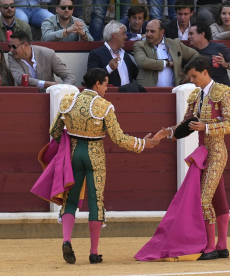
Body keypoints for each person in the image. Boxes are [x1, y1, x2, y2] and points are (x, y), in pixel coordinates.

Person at [47, 67, 159, 264]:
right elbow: (118, 138)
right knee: (95, 200)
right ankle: (93, 252)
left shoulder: (68, 101)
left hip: (74, 155)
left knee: (70, 199)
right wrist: (143, 143)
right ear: (97, 84)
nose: (107, 88)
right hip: (94, 155)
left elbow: (55, 131)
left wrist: (68, 142)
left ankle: (66, 240)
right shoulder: (104, 106)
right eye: (106, 84)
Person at [154, 56, 230, 260]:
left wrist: (206, 127)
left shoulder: (223, 93)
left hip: (217, 152)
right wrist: (169, 133)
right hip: (203, 154)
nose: (192, 80)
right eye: (190, 77)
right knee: (217, 198)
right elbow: (186, 126)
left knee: (203, 199)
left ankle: (210, 247)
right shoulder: (196, 97)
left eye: (194, 76)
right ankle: (222, 246)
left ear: (205, 72)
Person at [133, 19, 198, 87]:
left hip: (174, 92)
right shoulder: (140, 45)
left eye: (152, 31)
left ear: (162, 32)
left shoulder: (175, 44)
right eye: (147, 31)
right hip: (149, 91)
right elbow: (143, 62)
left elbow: (195, 55)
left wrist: (190, 73)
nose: (148, 34)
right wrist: (167, 63)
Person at [8, 30, 76, 90]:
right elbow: (20, 79)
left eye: (14, 46)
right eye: (9, 46)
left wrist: (63, 90)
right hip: (25, 99)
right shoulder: (11, 56)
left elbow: (69, 76)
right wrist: (45, 84)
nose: (11, 50)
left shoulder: (48, 54)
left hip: (48, 98)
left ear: (25, 45)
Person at [188, 22, 230, 87]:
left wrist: (225, 64)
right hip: (201, 91)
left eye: (191, 34)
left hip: (222, 90)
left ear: (202, 34)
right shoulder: (189, 52)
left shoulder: (219, 47)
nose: (188, 37)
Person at [87, 20, 138, 87]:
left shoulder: (127, 55)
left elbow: (137, 76)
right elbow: (90, 79)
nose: (126, 37)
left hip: (128, 95)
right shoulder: (97, 54)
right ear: (114, 35)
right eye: (123, 33)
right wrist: (108, 68)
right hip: (108, 96)